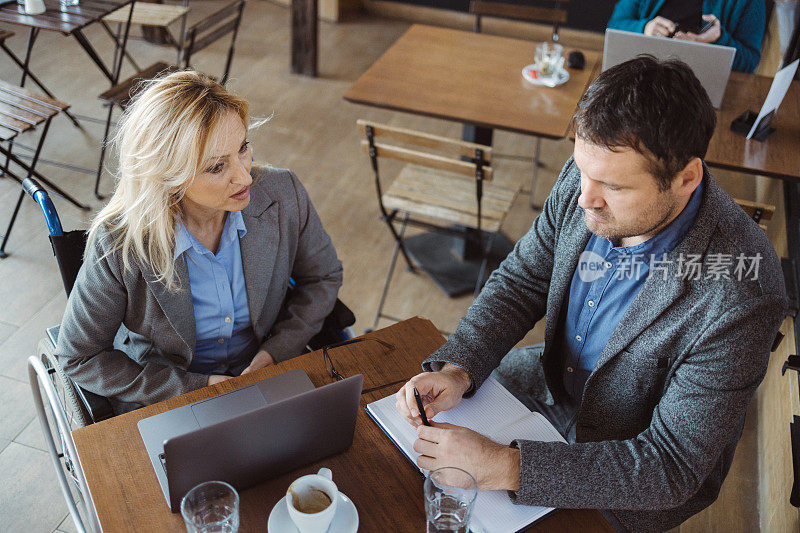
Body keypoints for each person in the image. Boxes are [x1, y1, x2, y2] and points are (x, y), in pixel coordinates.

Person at [395, 56, 786, 532]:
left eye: (614, 186)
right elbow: (522, 280)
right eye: (582, 170)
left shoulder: (743, 293)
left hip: (634, 466)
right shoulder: (590, 174)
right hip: (550, 385)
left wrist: (507, 467)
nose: (585, 198)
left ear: (686, 178)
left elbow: (672, 466)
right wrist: (461, 366)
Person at [55, 70, 343, 412]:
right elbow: (79, 357)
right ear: (168, 176)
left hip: (265, 376)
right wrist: (197, 387)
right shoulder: (120, 243)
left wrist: (276, 352)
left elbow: (323, 277)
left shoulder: (282, 192)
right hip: (168, 396)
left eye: (243, 148)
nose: (244, 175)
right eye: (216, 167)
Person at [607, 0, 765, 73]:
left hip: (701, 87)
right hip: (642, 73)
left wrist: (718, 40)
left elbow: (749, 62)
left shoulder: (749, 3)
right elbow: (614, 26)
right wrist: (644, 28)